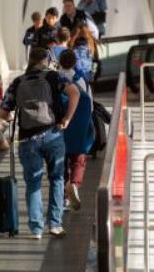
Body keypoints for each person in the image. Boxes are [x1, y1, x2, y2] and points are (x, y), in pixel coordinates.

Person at [0, 48, 80, 239]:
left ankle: (36, 229)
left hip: (27, 139)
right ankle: (55, 224)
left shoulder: (18, 82)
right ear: (46, 60)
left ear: (30, 60)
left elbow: (3, 112)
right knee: (57, 179)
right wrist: (67, 119)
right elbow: (75, 93)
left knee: (33, 183)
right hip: (53, 133)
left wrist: (9, 117)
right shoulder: (54, 77)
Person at [58, 50, 94, 211]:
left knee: (61, 161)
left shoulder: (55, 78)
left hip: (60, 125)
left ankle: (64, 196)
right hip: (79, 126)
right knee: (78, 159)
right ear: (74, 63)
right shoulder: (81, 80)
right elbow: (90, 106)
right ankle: (74, 184)